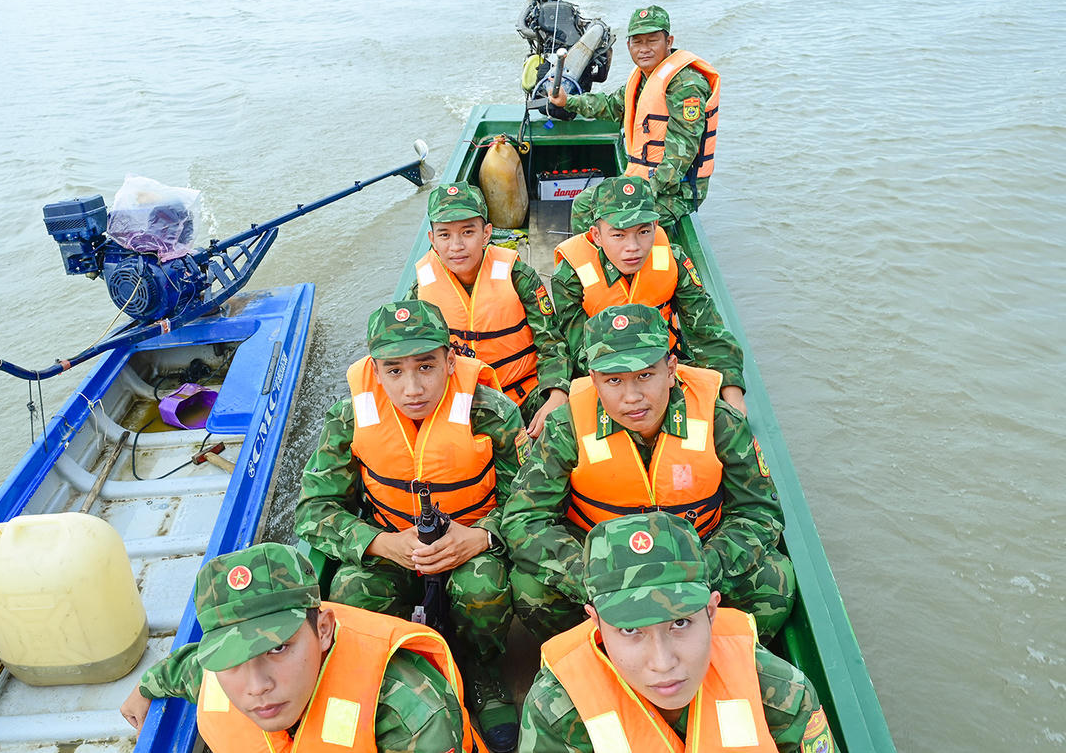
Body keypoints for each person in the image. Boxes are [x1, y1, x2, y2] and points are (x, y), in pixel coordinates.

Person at [293, 299, 525, 752]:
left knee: (484, 587)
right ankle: (401, 671)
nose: (412, 387)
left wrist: (480, 536)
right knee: (350, 591)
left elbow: (529, 501)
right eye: (394, 371)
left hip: (467, 544)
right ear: (375, 372)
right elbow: (314, 509)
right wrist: (381, 543)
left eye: (426, 366)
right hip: (393, 544)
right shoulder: (350, 417)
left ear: (450, 361)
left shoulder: (491, 412)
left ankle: (482, 670)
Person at [501, 303, 793, 642]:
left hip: (696, 556)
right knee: (529, 587)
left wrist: (703, 569)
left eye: (645, 375)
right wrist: (595, 579)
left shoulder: (719, 420)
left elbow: (758, 511)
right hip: (602, 564)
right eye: (614, 380)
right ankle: (601, 651)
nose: (632, 397)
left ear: (670, 370)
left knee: (774, 579)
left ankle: (707, 651)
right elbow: (524, 519)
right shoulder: (567, 427)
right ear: (594, 380)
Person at [119, 542, 483, 753]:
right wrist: (145, 687)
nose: (257, 686)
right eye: (231, 656)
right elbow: (183, 668)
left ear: (322, 630)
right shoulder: (215, 673)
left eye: (278, 648)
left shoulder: (411, 715)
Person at [517, 512, 835, 753]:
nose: (663, 662)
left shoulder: (783, 696)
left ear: (711, 612)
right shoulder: (557, 712)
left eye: (680, 623)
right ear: (597, 623)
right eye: (630, 629)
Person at [552, 176, 748, 415]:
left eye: (644, 231)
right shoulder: (570, 274)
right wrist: (631, 385)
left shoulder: (674, 261)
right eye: (618, 235)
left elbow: (707, 332)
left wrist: (732, 392)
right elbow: (580, 350)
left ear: (656, 226)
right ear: (597, 235)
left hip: (666, 368)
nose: (633, 246)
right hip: (607, 377)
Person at [406, 181, 571, 439]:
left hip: (525, 396)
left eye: (467, 232)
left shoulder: (518, 276)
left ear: (486, 234)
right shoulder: (420, 292)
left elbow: (551, 342)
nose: (456, 245)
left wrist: (557, 393)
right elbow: (410, 360)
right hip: (464, 403)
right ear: (432, 240)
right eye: (445, 235)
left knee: (566, 430)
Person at [548, 4, 719, 227]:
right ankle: (591, 251)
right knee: (583, 204)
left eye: (652, 41)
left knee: (607, 220)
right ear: (628, 45)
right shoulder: (644, 76)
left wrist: (644, 191)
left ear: (668, 42)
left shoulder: (686, 85)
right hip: (643, 177)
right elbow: (611, 105)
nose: (644, 49)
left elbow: (682, 152)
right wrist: (568, 101)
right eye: (637, 42)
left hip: (676, 192)